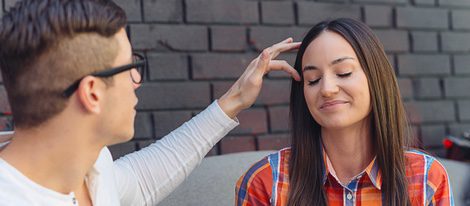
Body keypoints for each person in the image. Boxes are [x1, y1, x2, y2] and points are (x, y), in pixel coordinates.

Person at [0, 0, 301, 205]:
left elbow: (143, 179)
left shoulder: (93, 167)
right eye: (130, 67)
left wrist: (235, 99)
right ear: (92, 93)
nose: (137, 80)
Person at [235, 18, 454, 206]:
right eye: (313, 80)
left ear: (376, 79)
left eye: (344, 72)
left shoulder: (425, 177)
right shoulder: (266, 181)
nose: (327, 89)